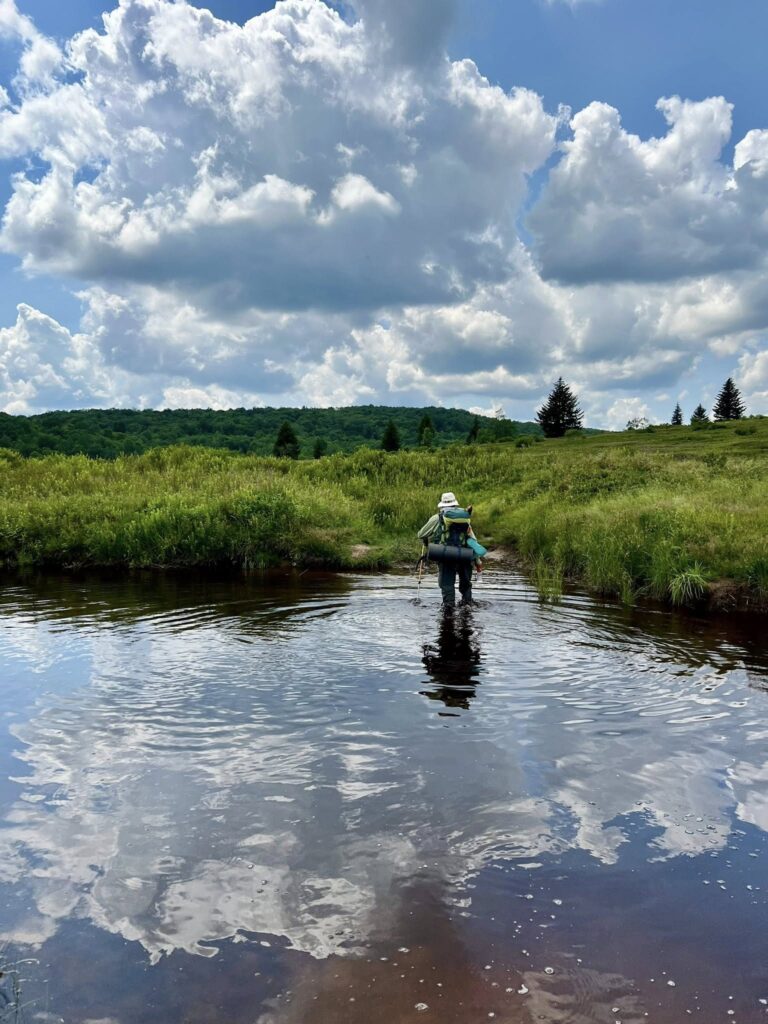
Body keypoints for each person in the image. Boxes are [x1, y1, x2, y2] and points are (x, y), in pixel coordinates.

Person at [417, 491, 477, 607]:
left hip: (446, 555)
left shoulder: (437, 518)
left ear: (442, 505)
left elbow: (421, 534)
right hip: (464, 554)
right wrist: (477, 558)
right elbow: (473, 539)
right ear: (455, 504)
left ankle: (449, 609)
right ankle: (467, 606)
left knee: (447, 584)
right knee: (465, 583)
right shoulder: (464, 518)